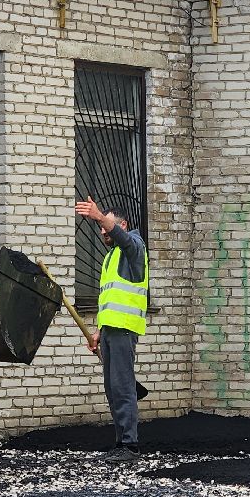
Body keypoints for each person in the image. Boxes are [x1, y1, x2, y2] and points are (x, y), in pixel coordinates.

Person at [74, 197, 148, 461]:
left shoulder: (134, 248)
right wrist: (98, 332)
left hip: (124, 330)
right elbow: (110, 301)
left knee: (123, 386)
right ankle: (121, 443)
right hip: (110, 331)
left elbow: (125, 239)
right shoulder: (111, 257)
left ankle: (130, 445)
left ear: (123, 224)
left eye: (108, 226)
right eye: (101, 228)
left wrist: (97, 215)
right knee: (113, 388)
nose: (103, 231)